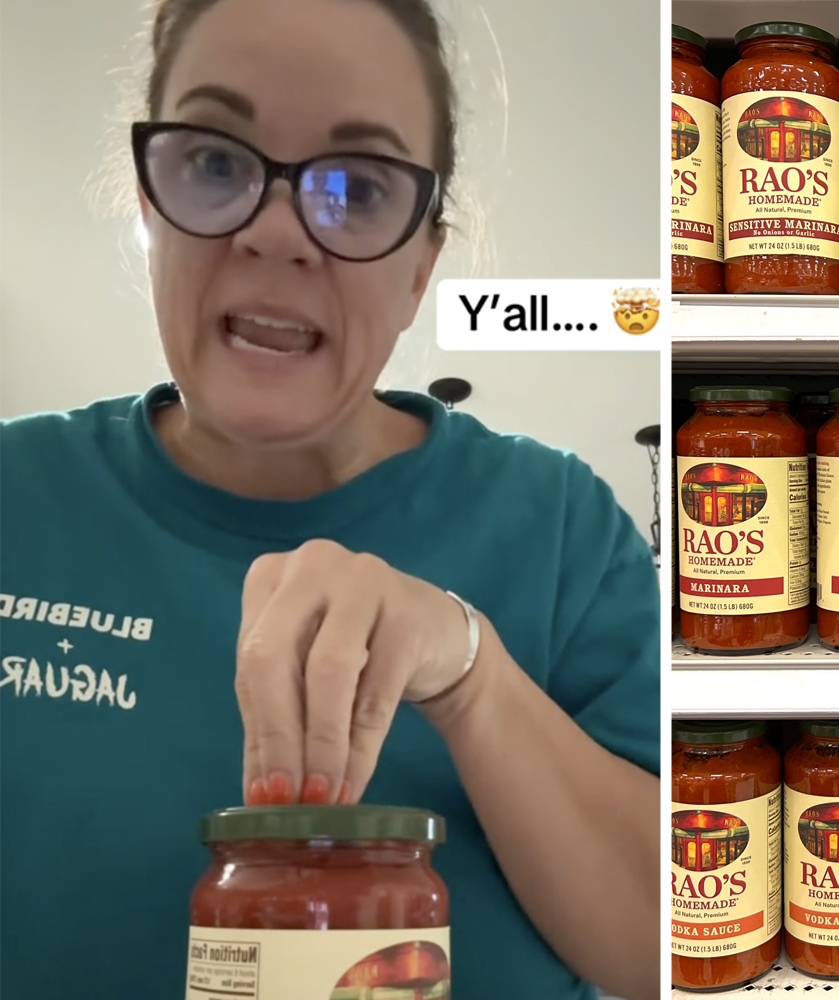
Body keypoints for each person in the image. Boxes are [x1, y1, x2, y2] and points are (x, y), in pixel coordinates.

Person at [0, 0, 660, 997]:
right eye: (215, 161)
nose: (277, 232)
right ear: (147, 205)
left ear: (421, 267)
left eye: (356, 186)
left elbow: (671, 945)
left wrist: (472, 680)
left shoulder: (564, 531)